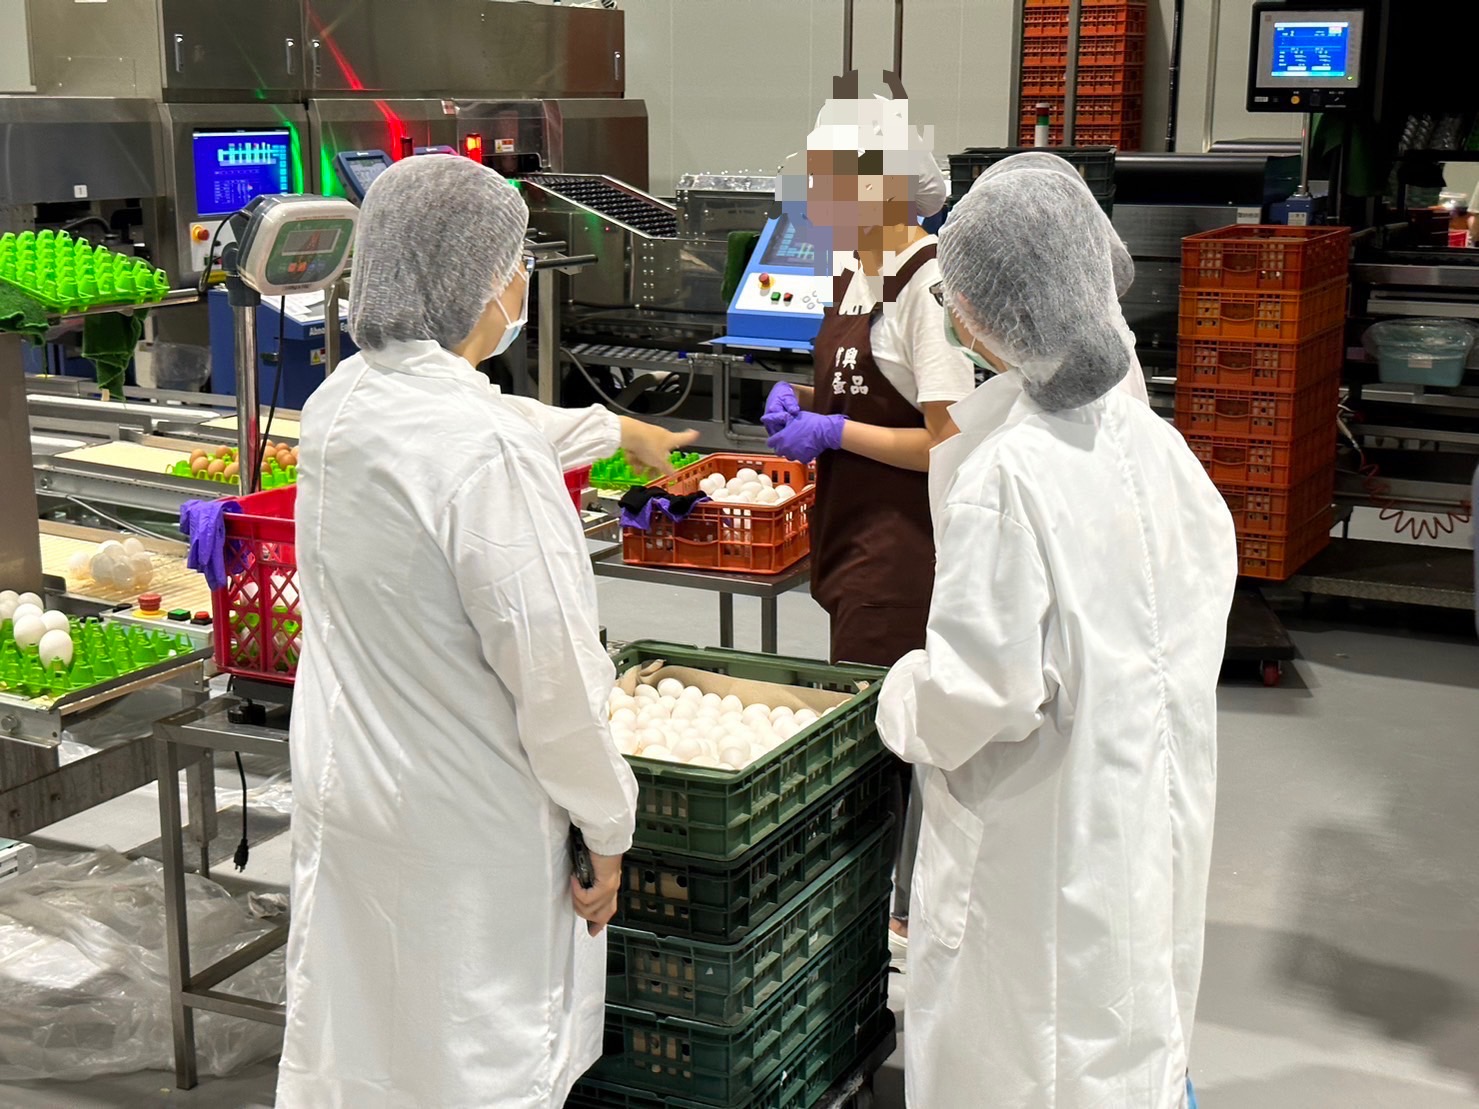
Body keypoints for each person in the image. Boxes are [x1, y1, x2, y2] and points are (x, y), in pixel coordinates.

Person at [276, 155, 693, 1108]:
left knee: (366, 1051)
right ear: (482, 283)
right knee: (474, 1064)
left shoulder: (342, 403)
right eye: (517, 264)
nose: (520, 283)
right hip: (466, 829)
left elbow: (474, 424)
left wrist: (609, 429)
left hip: (356, 800)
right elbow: (555, 682)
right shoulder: (486, 453)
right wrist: (608, 824)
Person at [876, 158, 1238, 1108]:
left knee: (1033, 1059)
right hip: (1136, 817)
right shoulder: (1163, 451)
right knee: (1128, 1035)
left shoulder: (1009, 477)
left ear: (984, 314)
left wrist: (901, 696)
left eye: (955, 298)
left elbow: (979, 696)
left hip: (1036, 853)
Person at [763, 96, 976, 968]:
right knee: (865, 732)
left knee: (879, 745)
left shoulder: (927, 287)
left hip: (902, 553)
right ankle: (872, 914)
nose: (814, 198)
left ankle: (886, 925)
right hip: (850, 539)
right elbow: (857, 391)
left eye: (829, 181)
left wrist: (836, 431)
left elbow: (950, 441)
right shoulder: (856, 273)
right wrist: (803, 406)